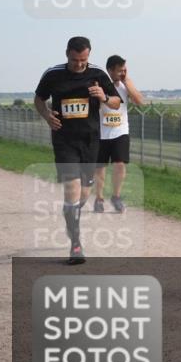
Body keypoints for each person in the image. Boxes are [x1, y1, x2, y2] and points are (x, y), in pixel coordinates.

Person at [34, 36, 122, 264]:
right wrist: (46, 116)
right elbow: (38, 99)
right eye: (75, 60)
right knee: (71, 189)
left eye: (84, 60)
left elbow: (116, 102)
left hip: (90, 141)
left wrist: (103, 96)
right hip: (64, 140)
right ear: (67, 54)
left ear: (89, 55)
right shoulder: (53, 74)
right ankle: (75, 245)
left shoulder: (97, 74)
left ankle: (72, 213)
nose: (80, 64)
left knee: (83, 194)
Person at [93, 55, 146, 213]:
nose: (122, 73)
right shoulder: (100, 84)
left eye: (124, 70)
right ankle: (99, 198)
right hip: (101, 132)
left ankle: (116, 196)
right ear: (109, 70)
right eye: (119, 71)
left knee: (119, 164)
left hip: (120, 131)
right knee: (100, 167)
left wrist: (126, 81)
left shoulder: (125, 84)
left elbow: (139, 101)